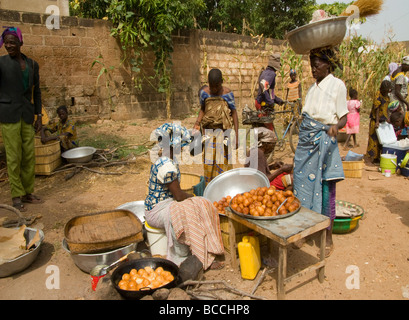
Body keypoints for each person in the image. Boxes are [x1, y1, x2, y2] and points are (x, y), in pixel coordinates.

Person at [145, 123, 225, 270]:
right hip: (157, 211)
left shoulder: (168, 160)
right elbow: (179, 196)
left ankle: (206, 250)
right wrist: (193, 197)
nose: (182, 149)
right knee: (185, 210)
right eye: (182, 146)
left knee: (200, 204)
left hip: (167, 203)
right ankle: (182, 257)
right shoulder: (166, 165)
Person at [293, 47, 348, 258]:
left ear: (328, 64)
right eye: (311, 65)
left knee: (326, 190)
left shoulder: (337, 86)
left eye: (317, 65)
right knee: (302, 187)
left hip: (325, 142)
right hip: (307, 142)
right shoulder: (311, 89)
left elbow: (343, 116)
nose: (313, 69)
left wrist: (336, 127)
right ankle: (305, 230)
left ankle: (327, 236)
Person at [0, 27, 43, 211]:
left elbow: (37, 91)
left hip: (26, 113)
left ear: (21, 42)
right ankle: (16, 195)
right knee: (13, 156)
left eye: (12, 42)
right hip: (8, 114)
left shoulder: (32, 64)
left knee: (28, 156)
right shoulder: (1, 64)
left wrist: (39, 115)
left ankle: (28, 192)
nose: (8, 45)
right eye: (6, 42)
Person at [193, 68, 239, 186]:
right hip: (208, 135)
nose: (214, 89)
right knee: (209, 166)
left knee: (223, 166)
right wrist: (197, 123)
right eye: (212, 86)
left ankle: (224, 190)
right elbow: (203, 109)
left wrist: (237, 136)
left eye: (216, 86)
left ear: (221, 82)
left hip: (224, 135)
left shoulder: (228, 94)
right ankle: (210, 189)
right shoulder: (204, 94)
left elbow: (234, 113)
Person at [365, 80, 392, 164]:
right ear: (383, 89)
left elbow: (387, 108)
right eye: (386, 90)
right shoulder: (378, 94)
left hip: (383, 121)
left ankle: (378, 157)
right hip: (375, 120)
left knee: (382, 140)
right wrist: (377, 121)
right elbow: (376, 108)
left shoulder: (387, 96)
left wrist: (388, 118)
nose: (387, 92)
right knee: (374, 140)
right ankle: (372, 158)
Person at [255, 54, 284, 130]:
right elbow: (263, 85)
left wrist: (278, 101)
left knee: (265, 126)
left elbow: (269, 92)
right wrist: (270, 101)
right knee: (270, 129)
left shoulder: (265, 72)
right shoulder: (271, 74)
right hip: (262, 103)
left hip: (259, 102)